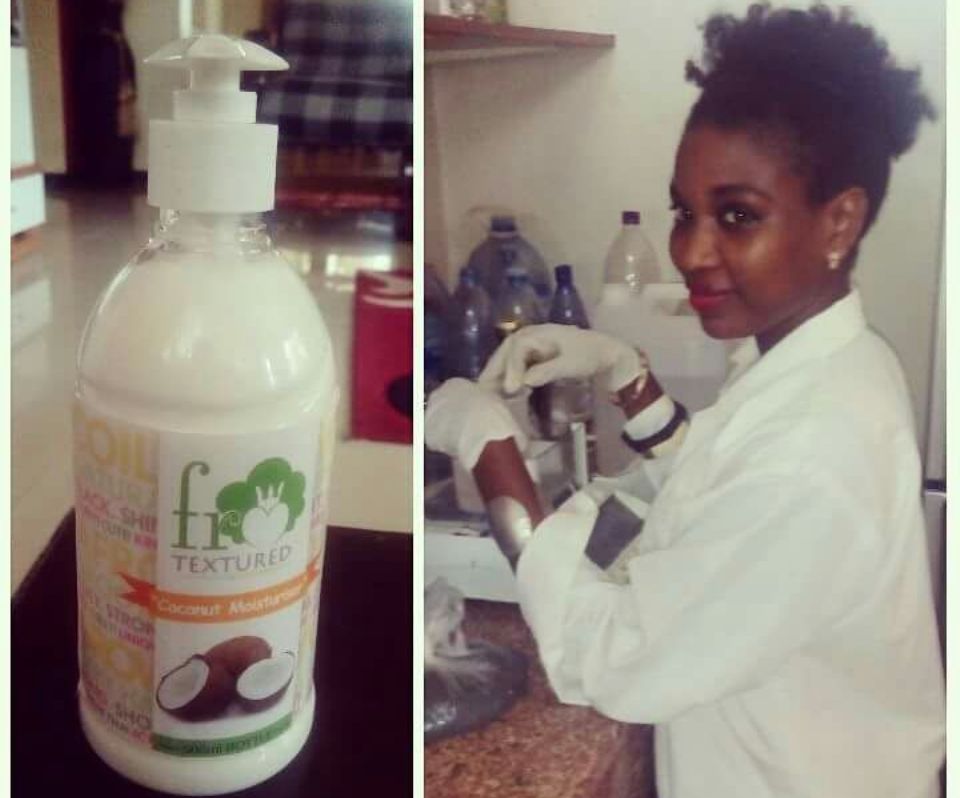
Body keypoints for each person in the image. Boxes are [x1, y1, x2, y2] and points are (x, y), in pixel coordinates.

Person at [425, 5, 944, 797]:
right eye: (684, 212)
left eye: (738, 216)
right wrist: (626, 375)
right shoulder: (831, 362)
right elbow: (716, 481)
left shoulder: (815, 453)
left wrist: (490, 450)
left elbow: (611, 659)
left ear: (839, 221)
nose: (692, 251)